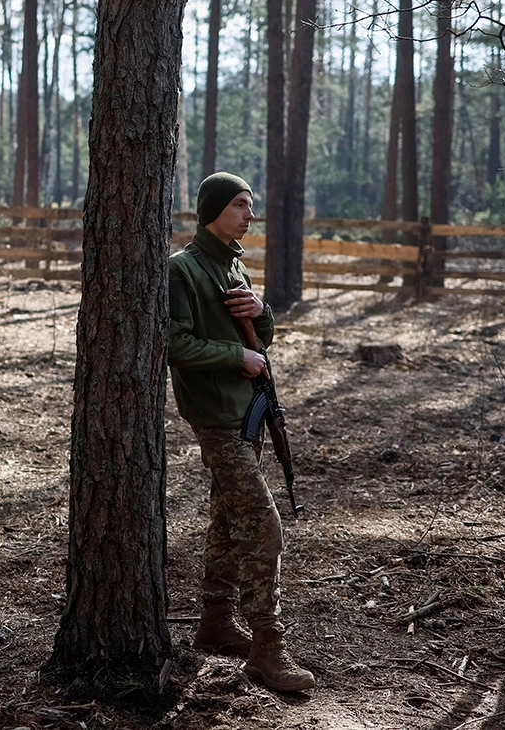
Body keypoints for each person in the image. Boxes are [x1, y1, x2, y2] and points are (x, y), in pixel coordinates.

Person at [168, 172, 315, 693]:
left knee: (227, 519)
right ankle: (267, 649)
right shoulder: (182, 270)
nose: (249, 214)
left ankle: (214, 621)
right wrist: (239, 356)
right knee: (263, 522)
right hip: (216, 417)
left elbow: (262, 339)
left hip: (245, 411)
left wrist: (262, 313)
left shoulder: (234, 264)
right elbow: (176, 344)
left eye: (250, 205)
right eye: (239, 205)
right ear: (213, 209)